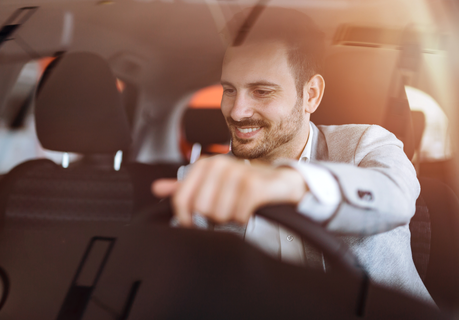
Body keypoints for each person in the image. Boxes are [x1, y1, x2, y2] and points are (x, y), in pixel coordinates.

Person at [152, 9, 433, 303]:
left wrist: (291, 183)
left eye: (261, 91)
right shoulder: (202, 176)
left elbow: (395, 197)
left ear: (311, 94)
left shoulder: (366, 144)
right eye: (229, 90)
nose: (236, 111)